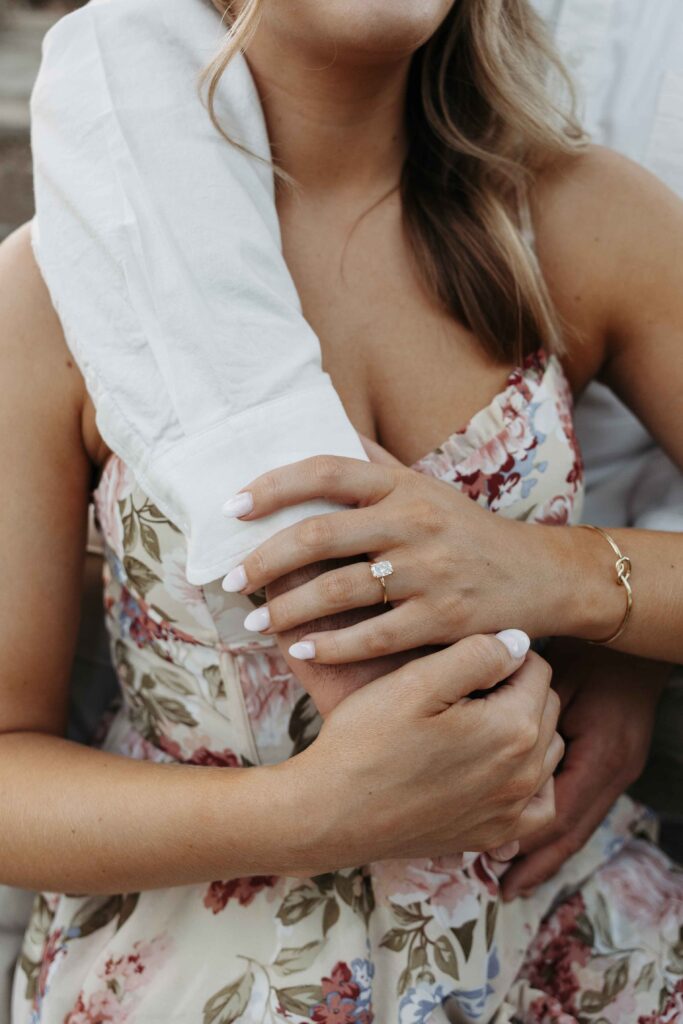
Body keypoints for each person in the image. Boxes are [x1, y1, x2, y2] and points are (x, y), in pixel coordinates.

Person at [2, 1, 683, 1022]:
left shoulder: (577, 216)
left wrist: (564, 579)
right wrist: (308, 814)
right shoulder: (46, 290)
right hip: (202, 977)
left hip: (563, 956)